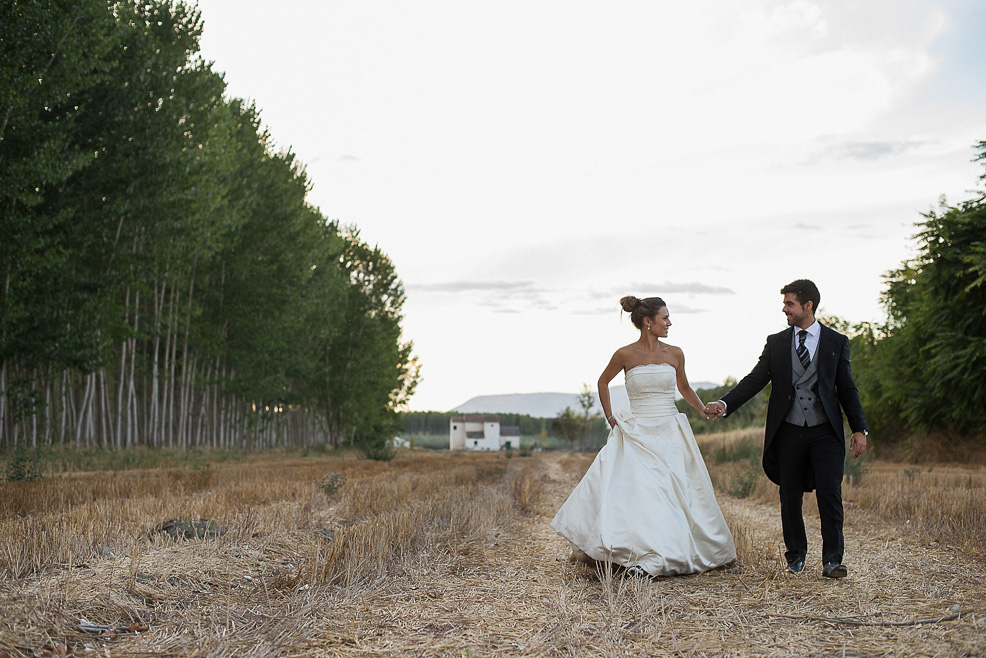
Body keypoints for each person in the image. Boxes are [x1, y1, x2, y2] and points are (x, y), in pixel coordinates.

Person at [551, 295, 736, 577]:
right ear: (648, 322)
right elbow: (602, 381)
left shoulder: (675, 353)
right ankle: (640, 553)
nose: (669, 323)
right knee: (644, 492)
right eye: (665, 318)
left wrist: (701, 409)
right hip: (637, 430)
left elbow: (684, 387)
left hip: (670, 431)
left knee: (672, 492)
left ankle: (671, 551)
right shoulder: (625, 354)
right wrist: (610, 417)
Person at [705, 279, 867, 579]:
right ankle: (796, 557)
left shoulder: (836, 342)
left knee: (830, 493)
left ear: (808, 306)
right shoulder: (777, 342)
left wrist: (859, 428)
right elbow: (755, 380)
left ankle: (832, 560)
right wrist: (724, 404)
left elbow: (847, 388)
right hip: (789, 430)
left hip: (825, 431)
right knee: (789, 496)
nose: (784, 309)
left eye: (790, 303)